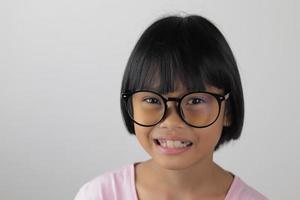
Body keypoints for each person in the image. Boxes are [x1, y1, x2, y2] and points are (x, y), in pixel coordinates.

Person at [74, 14, 268, 200]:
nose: (172, 122)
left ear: (228, 111)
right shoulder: (99, 195)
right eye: (153, 100)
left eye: (195, 101)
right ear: (131, 105)